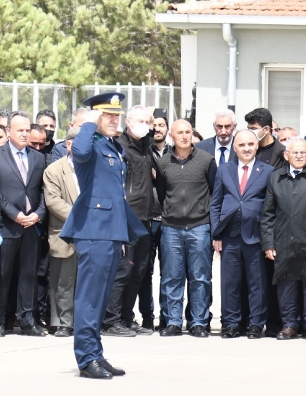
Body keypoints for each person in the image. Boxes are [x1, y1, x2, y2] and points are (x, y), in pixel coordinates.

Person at [61, 93, 146, 379]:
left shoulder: (111, 145)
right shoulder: (90, 142)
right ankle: (86, 358)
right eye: (107, 115)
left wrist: (119, 233)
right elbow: (80, 152)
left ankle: (95, 353)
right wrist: (87, 123)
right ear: (95, 116)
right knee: (89, 298)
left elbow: (115, 195)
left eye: (116, 115)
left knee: (100, 298)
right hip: (94, 230)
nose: (114, 119)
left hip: (109, 231)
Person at [261, 138, 306, 339]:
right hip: (283, 240)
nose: (300, 156)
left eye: (303, 152)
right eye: (295, 153)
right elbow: (267, 214)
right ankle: (289, 324)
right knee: (286, 283)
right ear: (287, 155)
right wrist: (268, 243)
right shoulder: (276, 177)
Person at [0, 113, 46, 335]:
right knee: (2, 275)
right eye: (20, 130)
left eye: (27, 130)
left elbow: (44, 190)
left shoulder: (38, 158)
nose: (24, 134)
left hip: (31, 225)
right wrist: (14, 214)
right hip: (7, 225)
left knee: (28, 274)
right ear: (8, 131)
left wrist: (38, 214)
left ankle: (27, 320)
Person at [154, 119, 214, 335]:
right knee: (171, 277)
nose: (185, 136)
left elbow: (214, 193)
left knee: (200, 277)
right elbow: (162, 193)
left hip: (199, 226)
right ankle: (173, 322)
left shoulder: (206, 160)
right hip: (171, 227)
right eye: (180, 132)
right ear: (171, 135)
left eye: (188, 132)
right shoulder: (163, 163)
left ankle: (198, 322)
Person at [211, 128, 272, 338]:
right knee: (230, 283)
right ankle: (231, 323)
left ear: (257, 146)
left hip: (255, 236)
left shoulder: (268, 171)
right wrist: (216, 234)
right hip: (230, 236)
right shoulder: (224, 170)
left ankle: (256, 324)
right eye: (242, 145)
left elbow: (271, 207)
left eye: (250, 144)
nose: (246, 148)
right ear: (234, 147)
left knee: (257, 283)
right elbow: (215, 204)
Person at [104, 104, 158, 335]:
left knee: (139, 271)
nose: (145, 126)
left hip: (145, 218)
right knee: (122, 269)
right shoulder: (119, 147)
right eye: (140, 121)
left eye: (147, 122)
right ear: (128, 122)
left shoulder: (147, 147)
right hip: (125, 217)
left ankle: (126, 317)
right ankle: (111, 320)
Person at [42, 133, 80, 336]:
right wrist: (81, 218)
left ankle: (83, 321)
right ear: (69, 144)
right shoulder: (54, 170)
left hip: (93, 232)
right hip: (65, 231)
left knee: (88, 282)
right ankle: (63, 322)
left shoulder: (95, 167)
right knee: (63, 281)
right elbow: (53, 201)